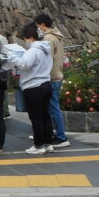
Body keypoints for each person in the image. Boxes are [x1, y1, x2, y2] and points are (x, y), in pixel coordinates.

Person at [6, 22, 54, 154]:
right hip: (45, 84)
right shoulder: (45, 49)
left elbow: (24, 64)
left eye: (25, 38)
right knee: (45, 116)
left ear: (30, 38)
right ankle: (48, 143)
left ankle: (38, 146)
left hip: (34, 87)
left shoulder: (34, 50)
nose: (25, 41)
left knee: (36, 117)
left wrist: (12, 56)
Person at [35, 13, 70, 148]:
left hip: (52, 76)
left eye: (38, 25)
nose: (38, 28)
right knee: (52, 107)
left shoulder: (49, 38)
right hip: (57, 74)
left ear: (42, 24)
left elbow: (46, 58)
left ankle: (62, 137)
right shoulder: (57, 35)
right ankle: (56, 133)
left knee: (53, 108)